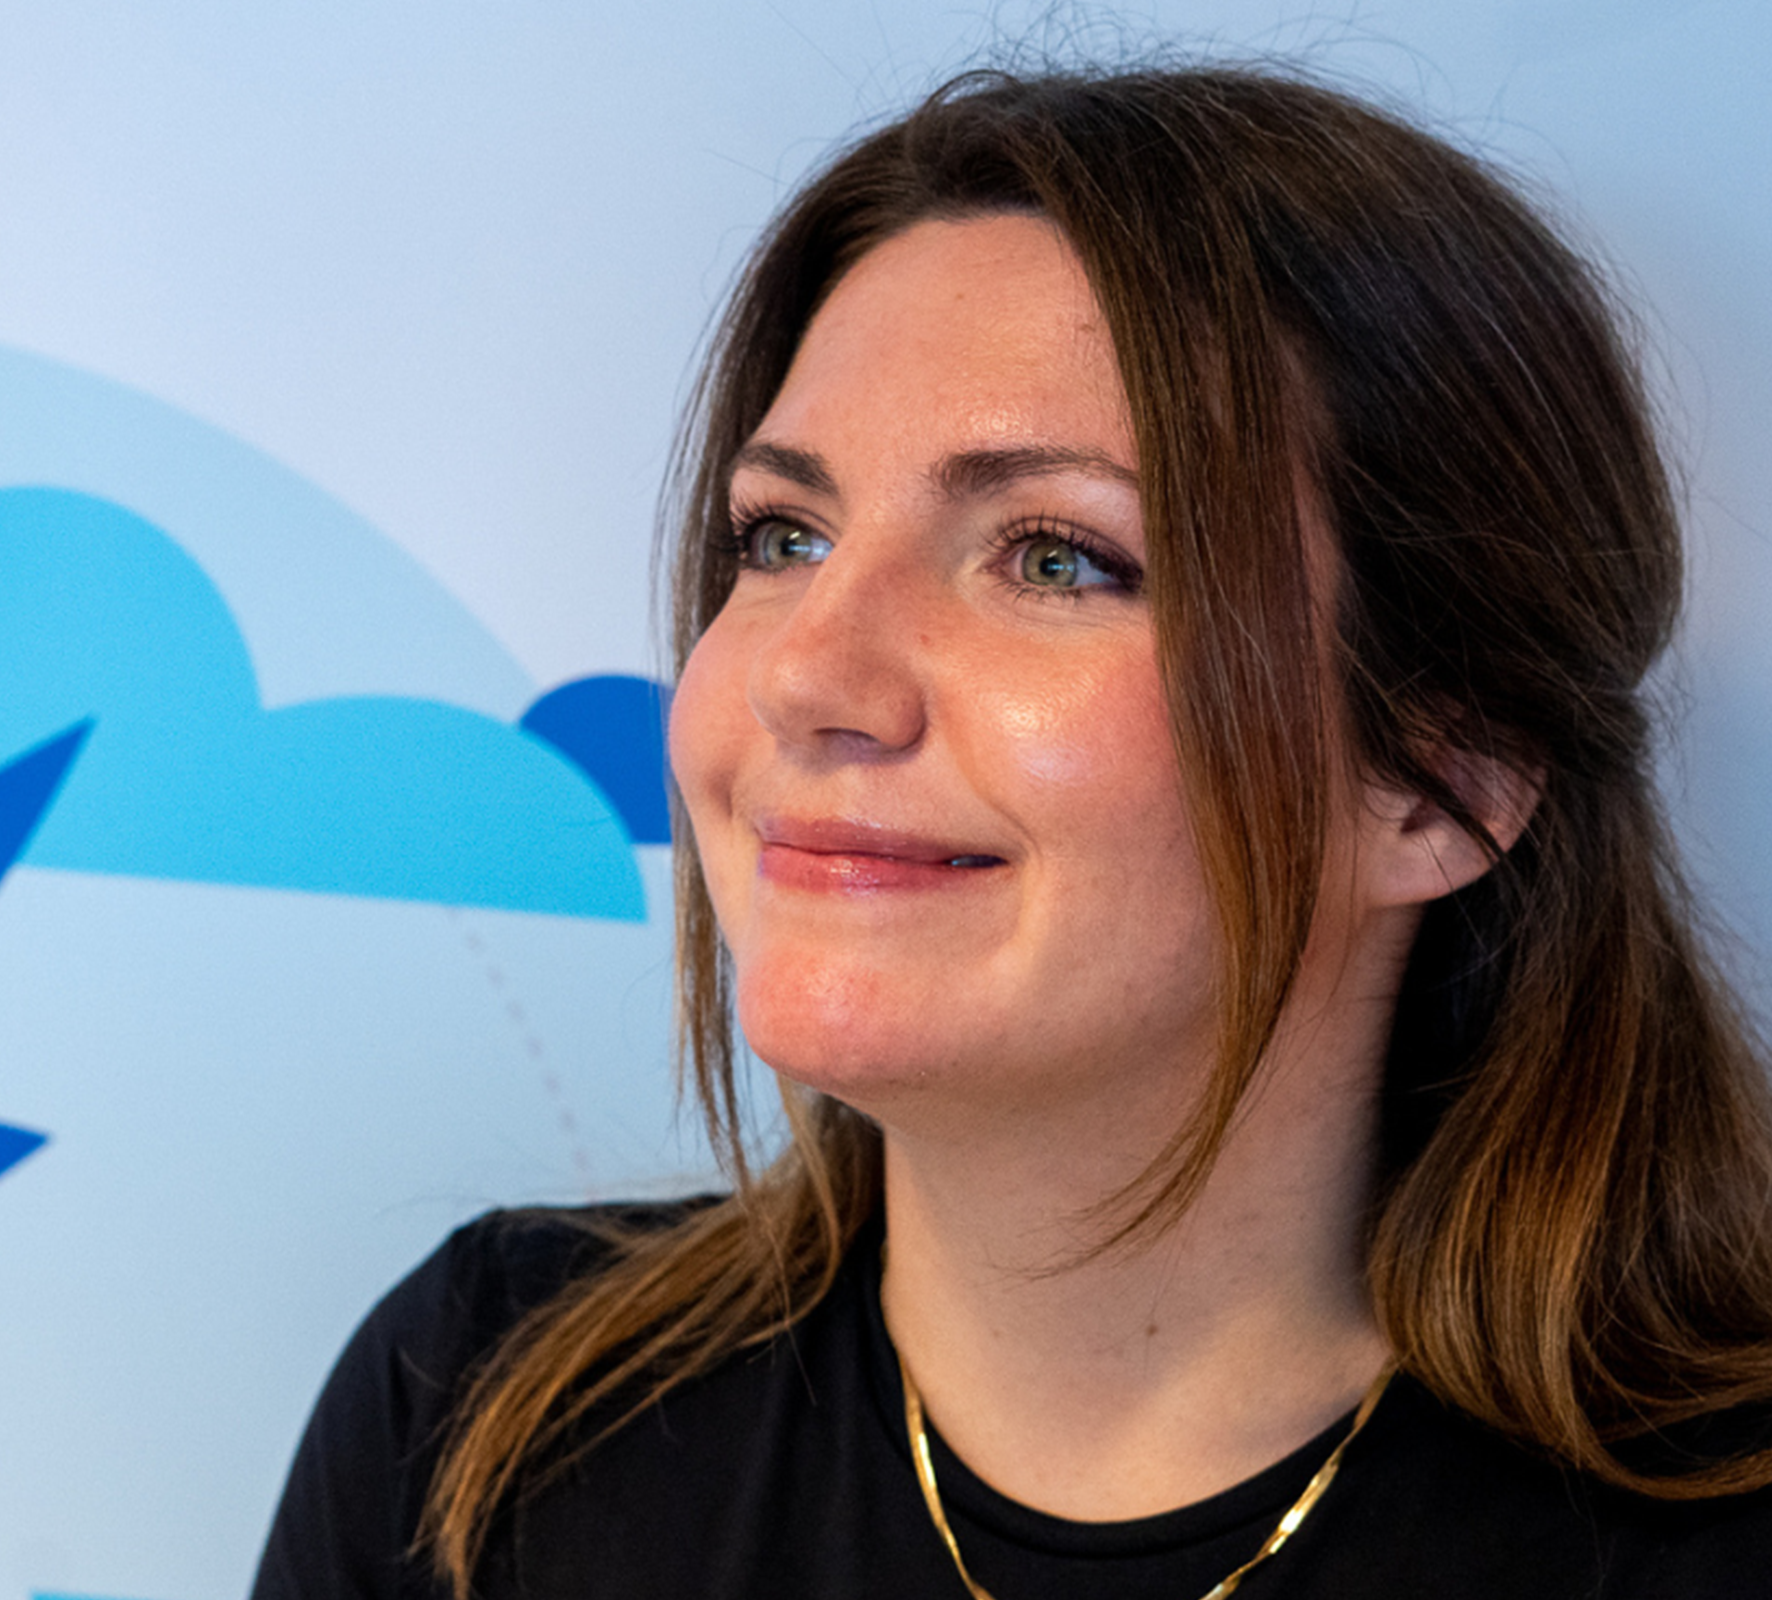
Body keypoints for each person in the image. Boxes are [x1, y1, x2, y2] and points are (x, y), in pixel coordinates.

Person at [252, 63, 1772, 1599]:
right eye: (784, 537)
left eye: (1054, 558)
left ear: (1447, 777)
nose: (806, 675)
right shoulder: (480, 1414)